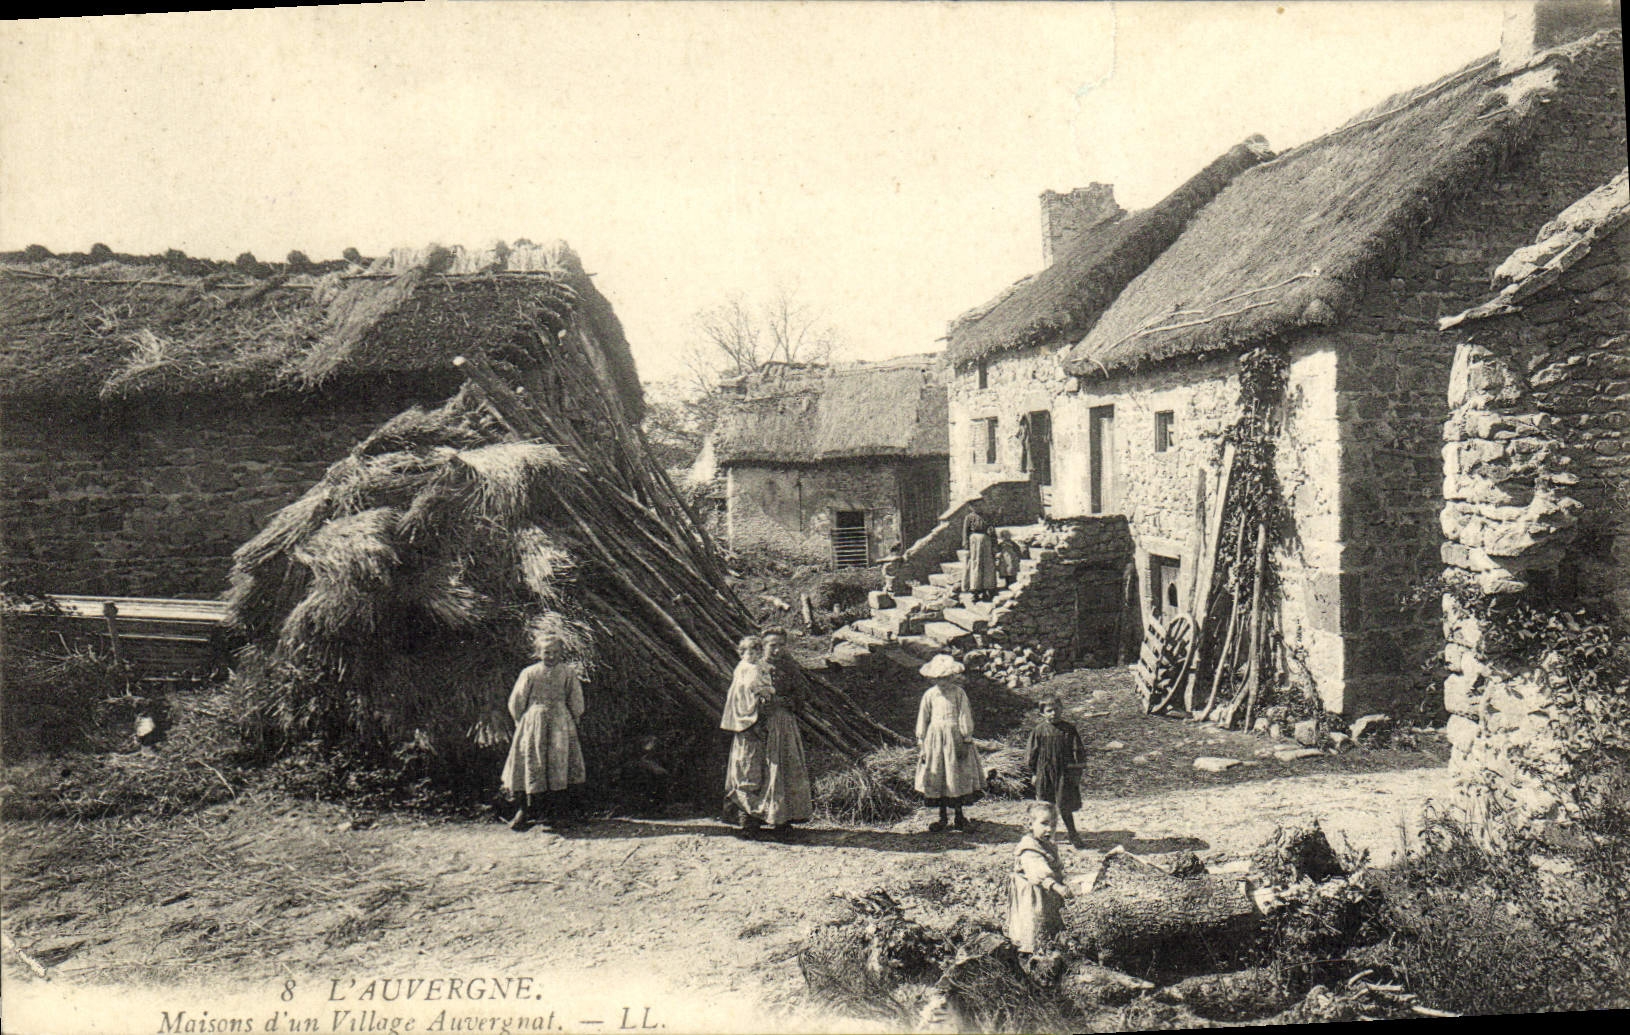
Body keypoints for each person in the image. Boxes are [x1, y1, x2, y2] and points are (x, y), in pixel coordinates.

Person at [730, 626, 813, 838]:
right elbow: (739, 695)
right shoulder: (750, 667)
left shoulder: (789, 667)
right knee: (751, 768)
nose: (776, 650)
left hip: (781, 723)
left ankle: (781, 820)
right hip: (753, 724)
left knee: (781, 769)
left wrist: (785, 701)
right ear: (762, 646)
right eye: (771, 645)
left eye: (781, 645)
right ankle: (750, 821)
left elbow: (802, 694)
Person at [501, 633, 586, 832]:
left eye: (556, 652)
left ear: (561, 653)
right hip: (534, 721)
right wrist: (520, 720)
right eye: (547, 652)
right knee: (532, 761)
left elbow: (575, 697)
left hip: (560, 722)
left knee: (558, 763)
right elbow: (517, 699)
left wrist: (575, 716)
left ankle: (558, 814)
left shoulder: (567, 673)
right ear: (539, 653)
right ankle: (524, 811)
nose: (551, 656)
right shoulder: (529, 673)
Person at [914, 654, 985, 832]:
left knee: (956, 775)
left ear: (952, 677)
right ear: (932, 679)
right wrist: (922, 742)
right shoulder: (930, 695)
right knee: (939, 774)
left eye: (945, 678)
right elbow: (923, 718)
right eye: (938, 678)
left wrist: (966, 738)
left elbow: (964, 715)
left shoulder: (959, 693)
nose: (942, 682)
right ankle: (942, 817)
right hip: (936, 739)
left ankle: (959, 816)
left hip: (955, 739)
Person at [1007, 801, 1075, 954]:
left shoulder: (1046, 844)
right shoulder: (1029, 848)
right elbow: (1038, 872)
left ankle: (1050, 945)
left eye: (1053, 824)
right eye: (1044, 824)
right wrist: (1058, 887)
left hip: (1047, 893)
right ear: (1030, 824)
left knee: (1049, 921)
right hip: (1033, 894)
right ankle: (1030, 952)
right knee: (1033, 924)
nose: (1049, 829)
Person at [1026, 696, 1086, 848]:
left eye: (1056, 709)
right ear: (1042, 713)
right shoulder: (1039, 731)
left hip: (1063, 773)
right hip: (1044, 773)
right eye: (1049, 711)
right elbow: (1032, 753)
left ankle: (1073, 834)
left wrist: (1076, 771)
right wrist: (1034, 772)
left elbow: (1077, 750)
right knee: (1044, 806)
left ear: (1062, 709)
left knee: (1064, 804)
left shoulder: (1069, 730)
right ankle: (1044, 837)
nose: (1053, 713)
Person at [962, 508, 998, 603]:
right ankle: (976, 591)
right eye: (974, 505)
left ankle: (988, 589)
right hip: (974, 542)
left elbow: (993, 531)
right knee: (975, 564)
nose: (977, 506)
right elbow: (965, 532)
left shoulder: (987, 516)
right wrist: (966, 545)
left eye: (979, 504)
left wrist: (994, 544)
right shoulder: (969, 517)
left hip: (986, 541)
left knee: (988, 564)